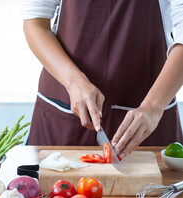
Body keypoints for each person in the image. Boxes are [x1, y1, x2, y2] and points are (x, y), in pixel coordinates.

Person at [20, 0, 183, 159]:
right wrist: (73, 82)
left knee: (157, 185)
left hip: (147, 114)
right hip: (65, 111)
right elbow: (35, 22)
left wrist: (153, 106)